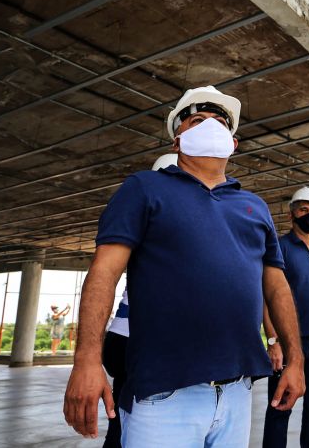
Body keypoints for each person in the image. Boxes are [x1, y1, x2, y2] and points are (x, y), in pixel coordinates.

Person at [63, 86, 304, 447]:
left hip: (237, 394)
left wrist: (295, 360)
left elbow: (276, 287)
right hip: (162, 396)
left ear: (233, 144)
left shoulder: (254, 206)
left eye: (220, 122)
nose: (210, 126)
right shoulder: (144, 188)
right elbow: (104, 272)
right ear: (177, 140)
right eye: (197, 120)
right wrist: (86, 360)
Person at [100, 153, 178, 448]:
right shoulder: (160, 223)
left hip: (122, 339)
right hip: (140, 342)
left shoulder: (143, 222)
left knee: (123, 422)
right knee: (139, 425)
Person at [262, 186, 309, 448]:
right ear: (292, 214)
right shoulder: (279, 247)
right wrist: (274, 340)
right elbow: (267, 295)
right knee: (279, 409)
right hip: (288, 344)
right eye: (304, 209)